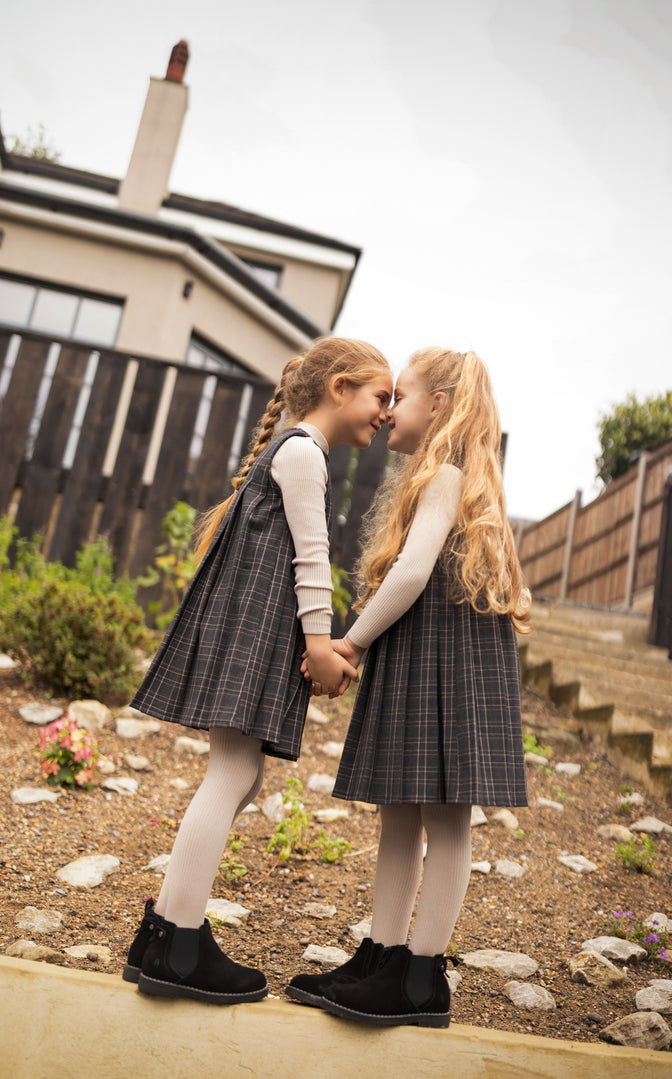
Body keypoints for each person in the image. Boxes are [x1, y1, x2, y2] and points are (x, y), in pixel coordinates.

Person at [122, 337, 393, 1005]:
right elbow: (311, 558)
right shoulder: (303, 452)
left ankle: (164, 932)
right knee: (234, 774)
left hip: (249, 631)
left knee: (238, 776)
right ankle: (176, 943)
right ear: (339, 389)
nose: (386, 412)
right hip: (251, 634)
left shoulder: (297, 449)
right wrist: (323, 642)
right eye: (379, 396)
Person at [287, 346, 531, 1027]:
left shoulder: (448, 473)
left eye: (404, 396)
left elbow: (414, 569)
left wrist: (352, 638)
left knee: (446, 817)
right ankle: (382, 955)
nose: (390, 411)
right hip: (423, 651)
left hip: (447, 654)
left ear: (442, 407)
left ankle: (423, 975)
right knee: (399, 807)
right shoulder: (434, 476)